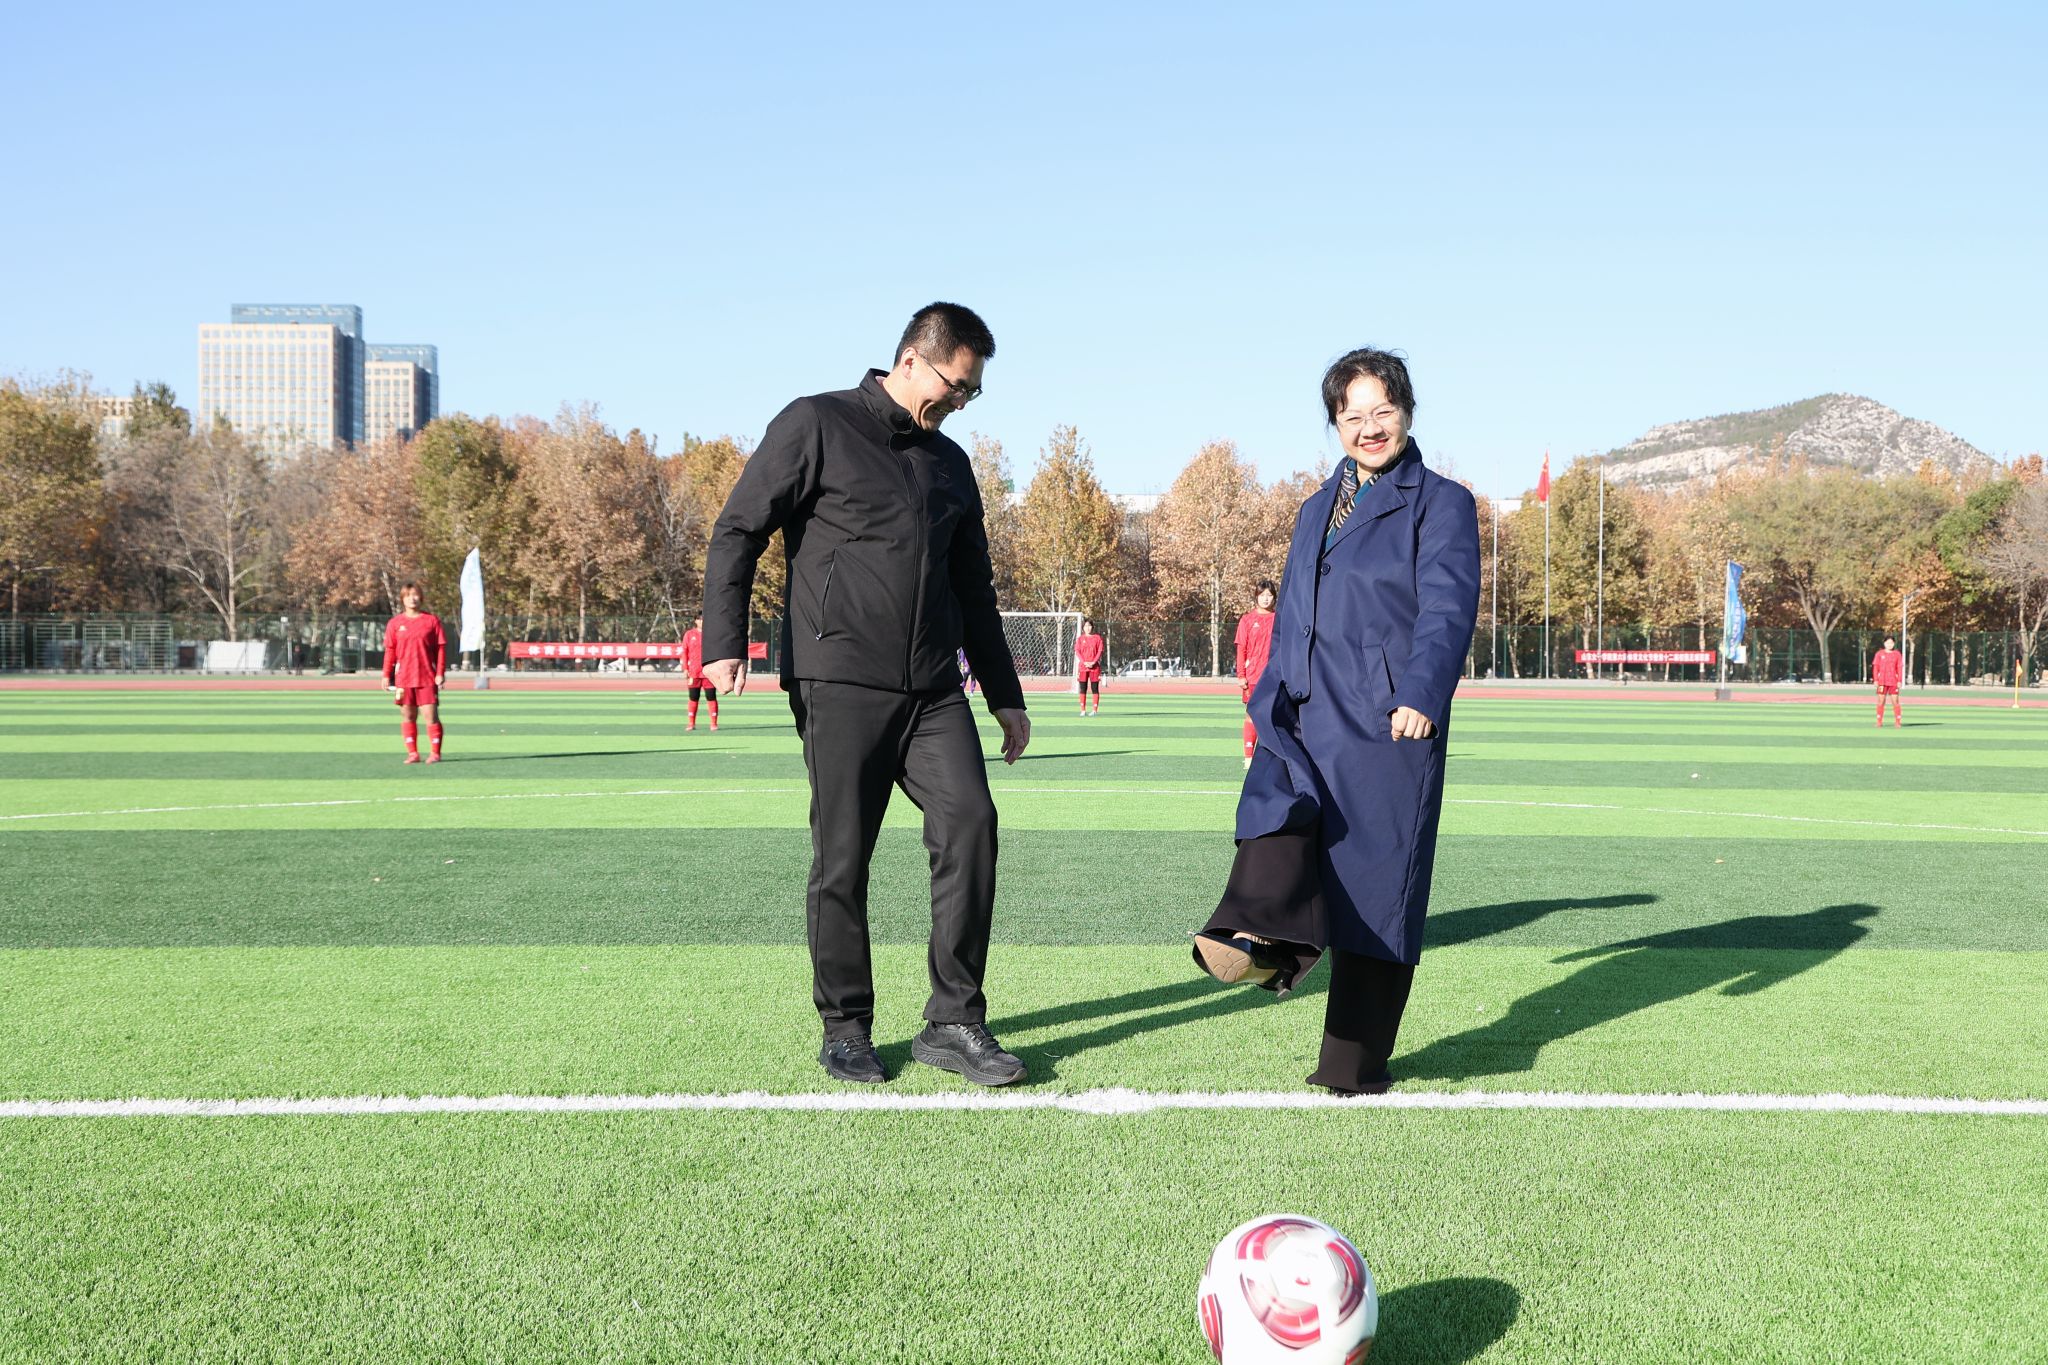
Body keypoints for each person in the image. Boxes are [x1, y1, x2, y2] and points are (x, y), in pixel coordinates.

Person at [700, 302, 1032, 1088]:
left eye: (973, 393)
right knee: (844, 858)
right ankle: (846, 1027)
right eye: (958, 385)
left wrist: (1005, 694)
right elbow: (739, 529)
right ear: (913, 360)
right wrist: (723, 641)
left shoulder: (951, 465)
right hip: (839, 677)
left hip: (933, 689)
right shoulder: (816, 423)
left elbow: (974, 590)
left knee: (972, 823)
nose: (962, 402)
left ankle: (953, 1019)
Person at [1189, 348, 1479, 1096]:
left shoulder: (1440, 502)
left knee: (1376, 883)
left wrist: (1422, 693)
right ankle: (1258, 939)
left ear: (1407, 412)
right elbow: (1294, 609)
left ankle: (1352, 1063)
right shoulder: (1317, 506)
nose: (1368, 427)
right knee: (1277, 813)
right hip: (1304, 707)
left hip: (1388, 723)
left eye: (1382, 410)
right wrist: (1269, 696)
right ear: (1334, 424)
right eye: (1352, 415)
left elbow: (1447, 608)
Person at [382, 582, 447, 764]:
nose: (412, 598)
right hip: (404, 679)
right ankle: (413, 753)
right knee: (408, 715)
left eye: (415, 594)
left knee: (430, 716)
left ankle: (435, 753)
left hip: (426, 677)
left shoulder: (431, 621)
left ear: (421, 597)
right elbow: (390, 651)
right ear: (403, 599)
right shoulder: (395, 623)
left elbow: (440, 649)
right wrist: (386, 674)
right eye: (408, 595)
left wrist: (440, 672)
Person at [1234, 581, 1278, 768]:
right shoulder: (1247, 620)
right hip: (1252, 677)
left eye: (1269, 595)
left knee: (1272, 717)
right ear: (1256, 597)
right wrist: (1241, 675)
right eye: (1262, 595)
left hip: (1274, 677)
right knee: (1251, 716)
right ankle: (1248, 757)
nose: (1266, 599)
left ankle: (1270, 757)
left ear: (1274, 597)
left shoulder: (1278, 619)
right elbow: (1241, 649)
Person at [681, 614, 718, 731]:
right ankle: (691, 723)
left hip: (708, 672)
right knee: (693, 697)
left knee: (711, 696)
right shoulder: (689, 634)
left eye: (703, 619)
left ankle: (713, 724)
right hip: (694, 672)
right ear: (695, 621)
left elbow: (717, 651)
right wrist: (685, 668)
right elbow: (684, 652)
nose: (702, 621)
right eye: (699, 619)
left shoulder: (712, 634)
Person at [1074, 617, 1106, 716]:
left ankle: (1094, 710)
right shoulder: (1080, 639)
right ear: (1083, 628)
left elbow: (1100, 651)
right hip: (1083, 667)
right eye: (1085, 626)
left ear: (1092, 627)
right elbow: (1077, 651)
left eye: (1089, 626)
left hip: (1094, 667)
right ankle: (1083, 710)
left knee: (1094, 688)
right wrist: (1084, 662)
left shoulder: (1097, 638)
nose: (1087, 628)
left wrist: (1093, 662)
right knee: (1083, 688)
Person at [1873, 636, 1904, 727]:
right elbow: (1876, 667)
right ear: (1884, 643)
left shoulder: (1897, 654)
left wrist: (1899, 680)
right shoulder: (1879, 654)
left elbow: (1899, 668)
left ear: (1894, 644)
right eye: (1887, 643)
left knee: (1895, 701)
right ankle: (1879, 721)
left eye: (1891, 643)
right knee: (1881, 701)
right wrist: (1875, 679)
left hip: (1893, 682)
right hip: (1882, 682)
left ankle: (1898, 722)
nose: (1889, 644)